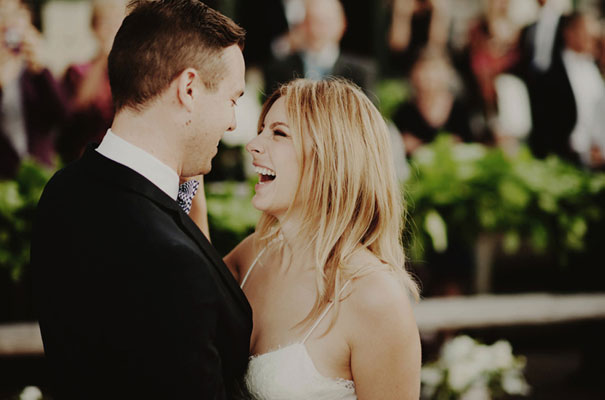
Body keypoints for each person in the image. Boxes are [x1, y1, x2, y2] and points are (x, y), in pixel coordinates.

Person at [31, 1, 249, 399]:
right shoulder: (171, 260)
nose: (232, 122)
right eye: (232, 99)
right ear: (188, 89)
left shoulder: (62, 191)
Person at [190, 78, 422, 399]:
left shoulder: (375, 297)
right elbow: (193, 290)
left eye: (279, 133)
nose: (253, 144)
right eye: (262, 129)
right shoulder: (254, 254)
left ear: (332, 157)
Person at [0, 0, 65, 178]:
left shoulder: (34, 69)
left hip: (40, 175)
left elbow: (61, 115)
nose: (8, 22)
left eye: (16, 13)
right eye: (2, 13)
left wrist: (40, 71)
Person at [56, 0, 126, 163]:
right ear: (94, 27)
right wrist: (103, 58)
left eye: (117, 21)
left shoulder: (132, 71)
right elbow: (75, 110)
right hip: (85, 156)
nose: (111, 28)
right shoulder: (77, 71)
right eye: (105, 21)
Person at [264, 0, 376, 98]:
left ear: (342, 24)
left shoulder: (361, 72)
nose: (317, 30)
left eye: (325, 22)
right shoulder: (279, 70)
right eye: (312, 21)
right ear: (302, 25)